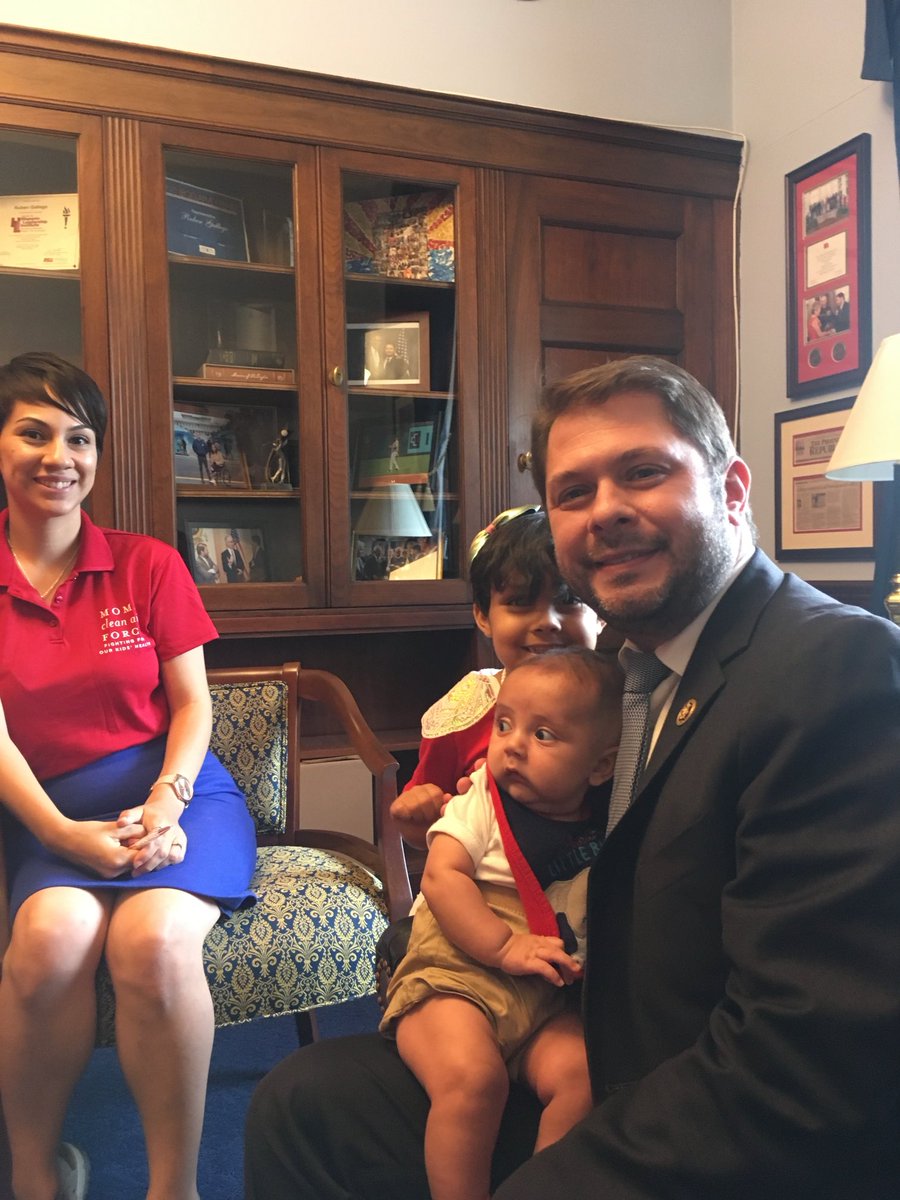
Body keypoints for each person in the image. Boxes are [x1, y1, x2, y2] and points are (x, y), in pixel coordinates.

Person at [244, 356, 900, 1200]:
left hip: (711, 1110)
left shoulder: (836, 669)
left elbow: (805, 1060)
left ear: (733, 489)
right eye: (573, 492)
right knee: (302, 1104)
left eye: (643, 472)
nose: (606, 513)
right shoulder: (620, 670)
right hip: (573, 1028)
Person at [0, 352, 257, 1200]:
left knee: (152, 944)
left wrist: (166, 802)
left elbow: (193, 708)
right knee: (48, 945)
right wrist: (56, 832)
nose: (58, 457)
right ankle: (39, 1174)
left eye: (79, 438)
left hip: (177, 792)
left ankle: (173, 1187)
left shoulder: (148, 564)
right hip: (47, 809)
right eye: (33, 432)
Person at [382, 649, 621, 1200]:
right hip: (454, 981)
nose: (511, 744)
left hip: (538, 1001)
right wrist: (505, 945)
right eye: (505, 724)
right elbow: (443, 878)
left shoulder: (605, 818)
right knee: (473, 1081)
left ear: (601, 766)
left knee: (586, 1077)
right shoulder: (481, 801)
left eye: (544, 736)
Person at [390, 506, 601, 850]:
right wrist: (415, 818)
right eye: (520, 601)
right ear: (483, 616)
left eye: (569, 600)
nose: (547, 621)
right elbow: (423, 824)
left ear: (601, 611)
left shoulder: (627, 700)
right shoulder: (464, 712)